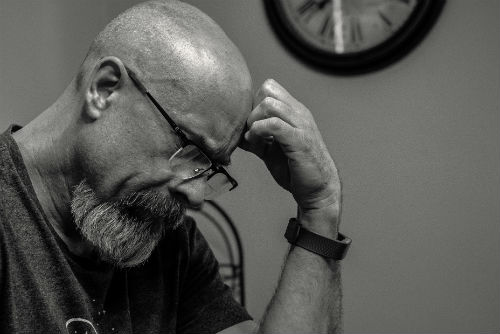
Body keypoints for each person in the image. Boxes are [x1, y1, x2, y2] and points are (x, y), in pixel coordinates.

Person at [0, 1, 349, 333]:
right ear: (104, 89)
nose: (197, 196)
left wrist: (319, 206)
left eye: (210, 167)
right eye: (190, 149)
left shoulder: (168, 242)